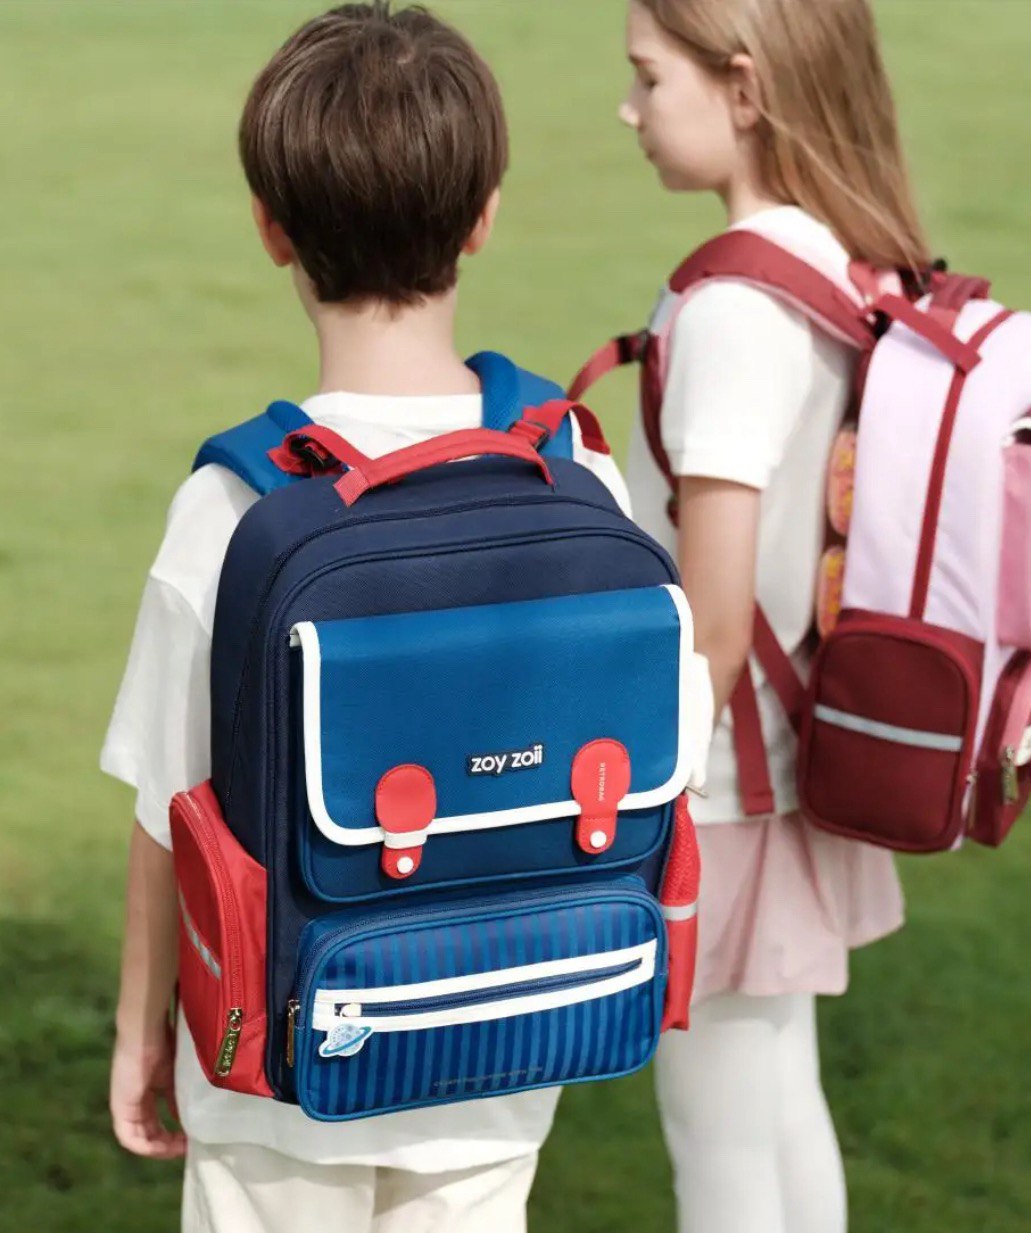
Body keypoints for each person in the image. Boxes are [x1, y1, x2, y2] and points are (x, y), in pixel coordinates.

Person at [100, 5, 628, 1231]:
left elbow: (165, 811)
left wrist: (141, 1030)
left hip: (273, 1072)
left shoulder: (236, 504)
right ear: (483, 215)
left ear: (269, 226)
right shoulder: (578, 476)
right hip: (503, 1038)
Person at [616, 2, 919, 1229]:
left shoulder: (734, 308)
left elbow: (714, 618)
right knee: (776, 1103)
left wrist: (632, 794)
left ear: (742, 90)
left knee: (718, 1140)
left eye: (647, 78)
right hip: (789, 757)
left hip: (718, 785)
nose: (627, 110)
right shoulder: (838, 260)